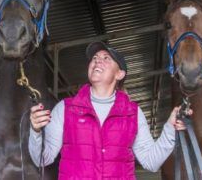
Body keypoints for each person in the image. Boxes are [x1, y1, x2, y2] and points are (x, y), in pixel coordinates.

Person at [29, 41, 190, 179]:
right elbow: (43, 159)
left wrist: (170, 128)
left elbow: (151, 162)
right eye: (94, 58)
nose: (98, 61)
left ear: (119, 74)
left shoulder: (132, 113)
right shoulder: (65, 109)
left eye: (106, 58)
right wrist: (35, 131)